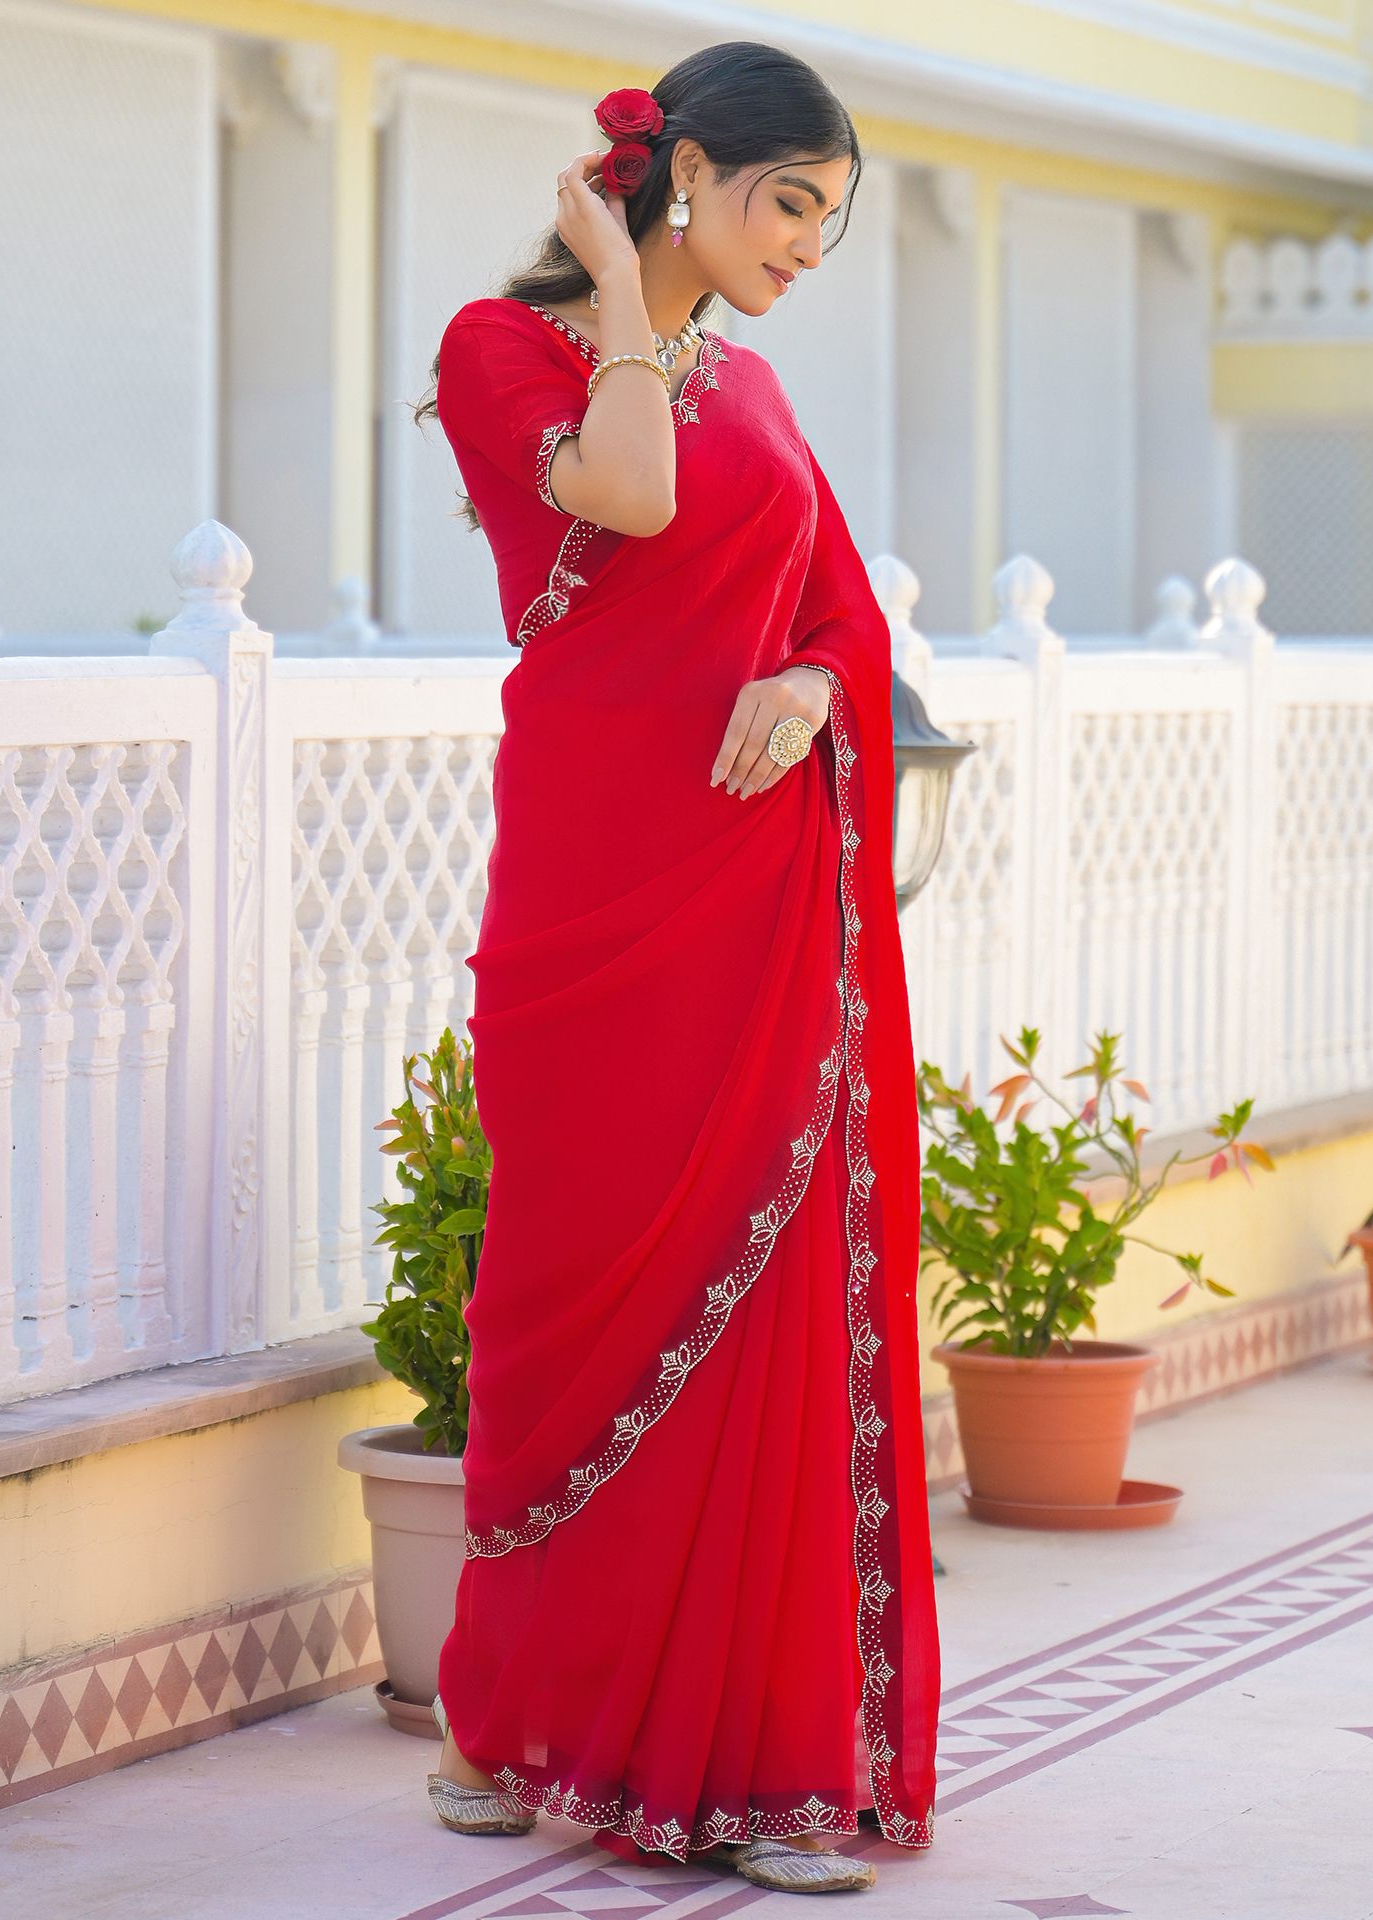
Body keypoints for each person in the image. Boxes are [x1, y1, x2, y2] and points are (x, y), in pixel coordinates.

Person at [410, 39, 940, 1897]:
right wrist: (612, 280)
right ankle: (514, 1719)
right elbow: (626, 500)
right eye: (786, 203)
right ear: (687, 171)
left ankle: (776, 1762)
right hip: (590, 895)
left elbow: (837, 615)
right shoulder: (504, 348)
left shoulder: (769, 388)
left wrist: (808, 682)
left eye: (828, 222)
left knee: (762, 1298)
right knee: (564, 1292)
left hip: (752, 896)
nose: (805, 247)